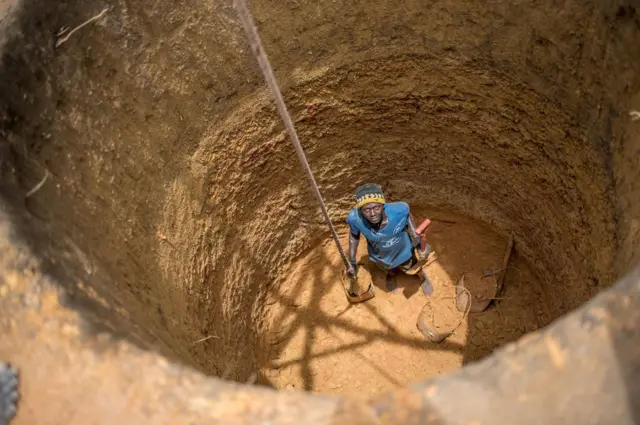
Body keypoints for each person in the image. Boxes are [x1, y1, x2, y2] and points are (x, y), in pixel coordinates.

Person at [346, 183, 434, 296]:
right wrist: (352, 262)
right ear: (360, 210)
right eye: (366, 210)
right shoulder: (355, 219)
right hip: (380, 254)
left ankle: (422, 277)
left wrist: (420, 247)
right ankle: (391, 275)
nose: (372, 214)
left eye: (376, 207)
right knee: (388, 268)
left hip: (402, 250)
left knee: (411, 265)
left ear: (383, 205)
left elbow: (413, 230)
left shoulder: (400, 211)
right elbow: (354, 236)